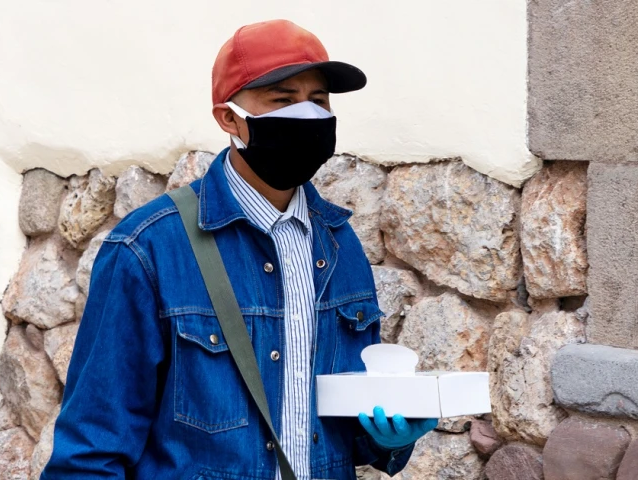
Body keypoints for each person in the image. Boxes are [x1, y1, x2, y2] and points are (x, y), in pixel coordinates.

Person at [42, 19, 436, 480]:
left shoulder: (339, 243)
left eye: (319, 100)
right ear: (229, 118)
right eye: (283, 100)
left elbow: (345, 427)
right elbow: (91, 451)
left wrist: (390, 436)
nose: (307, 115)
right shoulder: (147, 249)